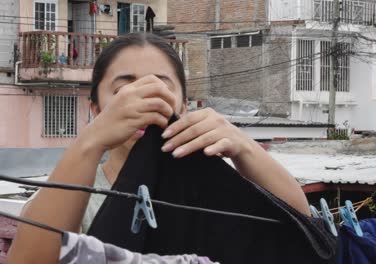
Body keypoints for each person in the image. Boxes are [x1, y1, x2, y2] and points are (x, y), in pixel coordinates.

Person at [7, 33, 310, 263]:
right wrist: (89, 141)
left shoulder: (211, 187)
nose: (143, 101)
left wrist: (244, 146)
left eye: (160, 88)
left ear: (183, 105)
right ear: (97, 109)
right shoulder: (74, 190)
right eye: (124, 90)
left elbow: (305, 232)